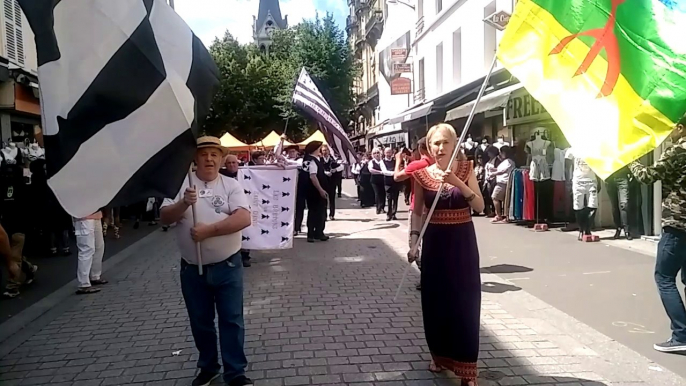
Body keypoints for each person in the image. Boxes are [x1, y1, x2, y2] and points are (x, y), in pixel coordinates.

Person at [160, 136, 253, 386]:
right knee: (201, 322)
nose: (209, 159)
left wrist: (209, 231)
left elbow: (244, 218)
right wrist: (183, 204)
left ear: (221, 158)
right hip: (192, 269)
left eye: (214, 154)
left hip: (228, 266)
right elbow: (164, 218)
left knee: (231, 320)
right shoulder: (181, 185)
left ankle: (235, 373)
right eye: (203, 154)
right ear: (195, 158)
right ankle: (209, 367)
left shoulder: (231, 186)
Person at [408, 123, 484, 386]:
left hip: (462, 243)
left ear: (455, 144)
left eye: (445, 142)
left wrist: (456, 183)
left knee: (465, 303)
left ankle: (467, 370)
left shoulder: (466, 169)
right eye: (435, 144)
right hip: (435, 244)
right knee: (436, 302)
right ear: (429, 147)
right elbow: (417, 212)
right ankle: (439, 356)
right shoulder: (421, 175)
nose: (440, 148)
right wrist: (413, 241)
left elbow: (480, 206)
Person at [628, 117, 686, 353]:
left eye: (670, 127)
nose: (667, 132)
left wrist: (631, 161)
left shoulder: (678, 151)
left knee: (664, 278)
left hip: (677, 223)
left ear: (680, 128)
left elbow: (647, 177)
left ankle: (681, 334)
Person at [394, 137, 433, 291]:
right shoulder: (435, 164)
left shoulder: (418, 164)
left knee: (414, 244)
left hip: (417, 207)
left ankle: (428, 277)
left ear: (420, 149)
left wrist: (398, 160)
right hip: (432, 208)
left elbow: (397, 177)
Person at [301, 141, 329, 242]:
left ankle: (314, 233)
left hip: (311, 191)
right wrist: (321, 190)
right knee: (317, 212)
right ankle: (316, 233)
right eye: (319, 148)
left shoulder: (309, 160)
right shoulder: (312, 161)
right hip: (315, 191)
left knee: (314, 212)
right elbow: (313, 176)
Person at [73, 210, 107, 294]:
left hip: (95, 214)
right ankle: (83, 284)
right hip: (83, 217)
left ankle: (95, 276)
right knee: (86, 249)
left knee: (99, 246)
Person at [489, 145, 515, 223]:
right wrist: (494, 169)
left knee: (495, 197)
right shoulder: (505, 161)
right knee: (504, 200)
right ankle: (503, 215)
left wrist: (493, 174)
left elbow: (502, 171)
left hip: (503, 182)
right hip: (501, 182)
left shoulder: (509, 161)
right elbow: (501, 169)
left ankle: (499, 215)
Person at [320, 144, 343, 220]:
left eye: (326, 150)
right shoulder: (320, 160)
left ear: (329, 151)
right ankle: (324, 215)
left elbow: (341, 166)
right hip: (323, 182)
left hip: (332, 182)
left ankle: (332, 214)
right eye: (323, 150)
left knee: (332, 199)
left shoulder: (333, 160)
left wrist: (335, 170)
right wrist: (325, 172)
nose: (325, 152)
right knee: (323, 199)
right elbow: (317, 169)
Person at [381, 147, 401, 221]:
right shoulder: (382, 162)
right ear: (384, 153)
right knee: (389, 199)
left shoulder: (395, 161)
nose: (388, 154)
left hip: (395, 182)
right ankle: (389, 214)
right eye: (387, 152)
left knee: (395, 199)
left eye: (390, 152)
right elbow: (385, 172)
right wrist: (395, 173)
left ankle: (394, 214)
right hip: (387, 183)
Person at [483, 146, 500, 217]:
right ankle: (490, 211)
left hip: (493, 179)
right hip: (487, 180)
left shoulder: (497, 160)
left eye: (490, 152)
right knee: (488, 195)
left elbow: (499, 169)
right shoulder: (489, 160)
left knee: (493, 196)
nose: (488, 154)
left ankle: (494, 212)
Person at [368, 148, 386, 215]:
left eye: (377, 153)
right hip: (375, 180)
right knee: (377, 193)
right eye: (375, 153)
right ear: (372, 155)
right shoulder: (371, 162)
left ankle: (382, 208)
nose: (376, 154)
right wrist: (381, 172)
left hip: (383, 179)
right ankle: (378, 208)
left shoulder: (382, 161)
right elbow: (371, 170)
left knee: (383, 193)